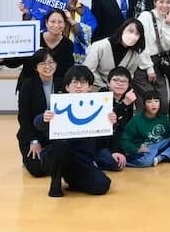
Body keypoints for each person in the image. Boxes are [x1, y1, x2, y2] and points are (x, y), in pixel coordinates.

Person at [34, 66, 114, 197]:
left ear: (89, 87)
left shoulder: (97, 106)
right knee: (61, 146)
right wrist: (44, 118)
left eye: (83, 82)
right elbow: (38, 123)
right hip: (57, 154)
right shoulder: (59, 103)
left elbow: (103, 140)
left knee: (102, 185)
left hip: (82, 159)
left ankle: (73, 181)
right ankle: (55, 181)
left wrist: (110, 123)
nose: (79, 86)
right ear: (67, 87)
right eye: (74, 82)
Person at [0, 7, 74, 96]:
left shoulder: (68, 44)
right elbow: (16, 61)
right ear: (46, 23)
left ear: (65, 24)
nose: (56, 25)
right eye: (52, 21)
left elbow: (67, 70)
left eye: (60, 22)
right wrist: (1, 58)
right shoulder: (33, 39)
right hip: (29, 87)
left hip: (55, 90)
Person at [138, 0, 170, 128]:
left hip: (159, 64)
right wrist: (149, 68)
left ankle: (159, 131)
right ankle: (143, 132)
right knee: (146, 102)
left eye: (168, 2)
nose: (164, 5)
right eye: (161, 2)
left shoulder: (168, 19)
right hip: (143, 64)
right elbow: (140, 44)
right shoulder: (145, 16)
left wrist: (168, 25)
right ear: (154, 2)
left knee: (162, 102)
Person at [16, 48, 59, 177]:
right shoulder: (28, 85)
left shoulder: (62, 83)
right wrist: (33, 140)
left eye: (51, 62)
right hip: (33, 134)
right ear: (36, 67)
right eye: (43, 63)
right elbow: (23, 116)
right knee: (37, 170)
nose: (48, 66)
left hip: (55, 135)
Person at [83, 18, 157, 91]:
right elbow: (88, 69)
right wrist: (105, 86)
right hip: (96, 87)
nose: (132, 36)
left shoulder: (135, 54)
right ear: (122, 29)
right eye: (130, 31)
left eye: (137, 34)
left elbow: (129, 75)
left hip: (119, 90)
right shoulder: (100, 45)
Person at [120, 92, 170, 167]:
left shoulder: (164, 118)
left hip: (159, 145)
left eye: (156, 101)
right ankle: (125, 161)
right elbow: (125, 140)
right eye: (149, 102)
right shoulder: (136, 120)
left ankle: (160, 157)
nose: (153, 104)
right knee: (145, 162)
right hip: (145, 148)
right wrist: (136, 149)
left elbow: (167, 137)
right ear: (144, 104)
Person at [94, 66, 135, 171]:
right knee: (114, 163)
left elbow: (123, 128)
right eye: (116, 80)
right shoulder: (101, 96)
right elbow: (105, 122)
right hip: (99, 144)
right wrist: (124, 104)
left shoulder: (128, 100)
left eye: (124, 81)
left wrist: (118, 150)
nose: (120, 84)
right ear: (108, 83)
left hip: (116, 142)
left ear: (128, 85)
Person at [60, 0, 98, 64]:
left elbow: (90, 31)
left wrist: (71, 21)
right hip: (55, 50)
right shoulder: (55, 5)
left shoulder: (85, 11)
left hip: (75, 53)